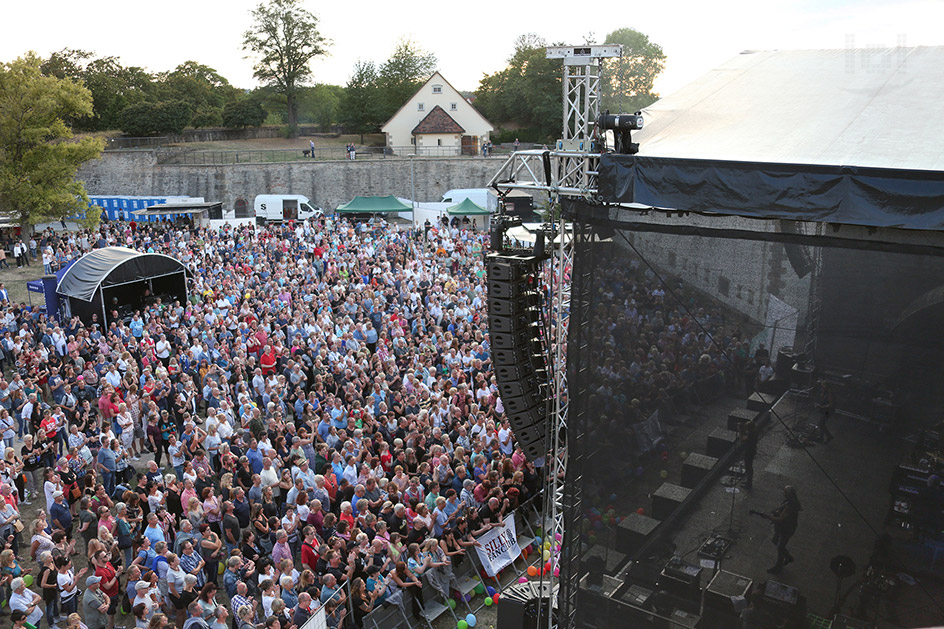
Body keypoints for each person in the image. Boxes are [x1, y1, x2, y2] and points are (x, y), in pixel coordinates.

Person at [766, 485, 802, 574]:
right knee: (775, 541)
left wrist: (769, 517)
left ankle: (779, 566)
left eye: (785, 493)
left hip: (786, 528)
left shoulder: (791, 506)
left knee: (780, 546)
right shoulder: (790, 502)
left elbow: (781, 518)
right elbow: (781, 508)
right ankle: (787, 556)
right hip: (782, 527)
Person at [740, 419, 757, 489]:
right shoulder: (754, 432)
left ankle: (749, 484)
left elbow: (742, 439)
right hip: (752, 451)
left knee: (748, 467)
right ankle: (748, 481)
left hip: (749, 452)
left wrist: (740, 431)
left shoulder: (750, 435)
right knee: (749, 467)